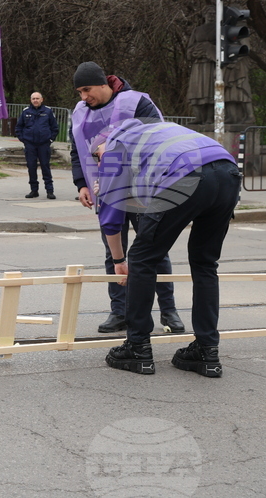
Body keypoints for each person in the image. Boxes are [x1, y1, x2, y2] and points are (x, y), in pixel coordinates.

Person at [93, 119, 240, 377]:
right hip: (228, 171)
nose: (98, 163)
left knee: (141, 257)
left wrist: (119, 260)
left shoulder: (114, 146)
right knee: (205, 263)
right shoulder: (157, 133)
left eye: (97, 156)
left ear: (103, 143)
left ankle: (137, 347)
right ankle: (207, 351)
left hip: (186, 174)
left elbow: (111, 217)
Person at [70, 61, 183, 334]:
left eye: (87, 90)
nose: (84, 97)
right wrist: (81, 184)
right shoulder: (80, 112)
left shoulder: (136, 103)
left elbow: (158, 138)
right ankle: (119, 311)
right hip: (104, 187)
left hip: (140, 188)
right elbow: (77, 147)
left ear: (103, 83)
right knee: (113, 251)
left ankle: (169, 311)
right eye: (79, 93)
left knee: (155, 250)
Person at [15, 92, 59, 200]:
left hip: (44, 144)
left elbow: (55, 128)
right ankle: (34, 190)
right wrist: (23, 139)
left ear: (42, 100)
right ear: (31, 100)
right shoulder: (26, 112)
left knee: (45, 166)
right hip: (30, 144)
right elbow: (18, 127)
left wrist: (50, 139)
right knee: (31, 167)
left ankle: (50, 191)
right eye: (33, 98)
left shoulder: (48, 111)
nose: (35, 100)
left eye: (37, 98)